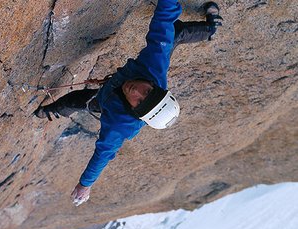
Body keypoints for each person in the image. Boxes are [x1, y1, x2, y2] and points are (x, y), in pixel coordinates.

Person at [34, 1, 223, 206]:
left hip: (107, 102)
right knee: (171, 34)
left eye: (139, 102)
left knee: (76, 101)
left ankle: (49, 110)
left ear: (135, 112)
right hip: (114, 92)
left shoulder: (120, 124)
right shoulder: (153, 68)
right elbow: (163, 22)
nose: (136, 92)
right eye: (147, 92)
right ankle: (209, 30)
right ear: (156, 86)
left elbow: (103, 154)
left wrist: (85, 184)